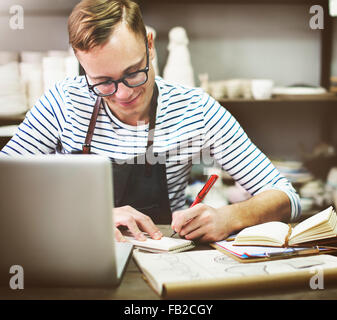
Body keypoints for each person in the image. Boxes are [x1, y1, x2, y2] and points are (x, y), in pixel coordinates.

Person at [1, 0, 301, 243]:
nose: (123, 93)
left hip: (167, 257)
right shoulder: (63, 102)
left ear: (150, 44)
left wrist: (231, 216)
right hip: (77, 254)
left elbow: (287, 196)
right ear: (81, 65)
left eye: (133, 72)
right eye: (103, 82)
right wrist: (92, 217)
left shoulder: (195, 109)